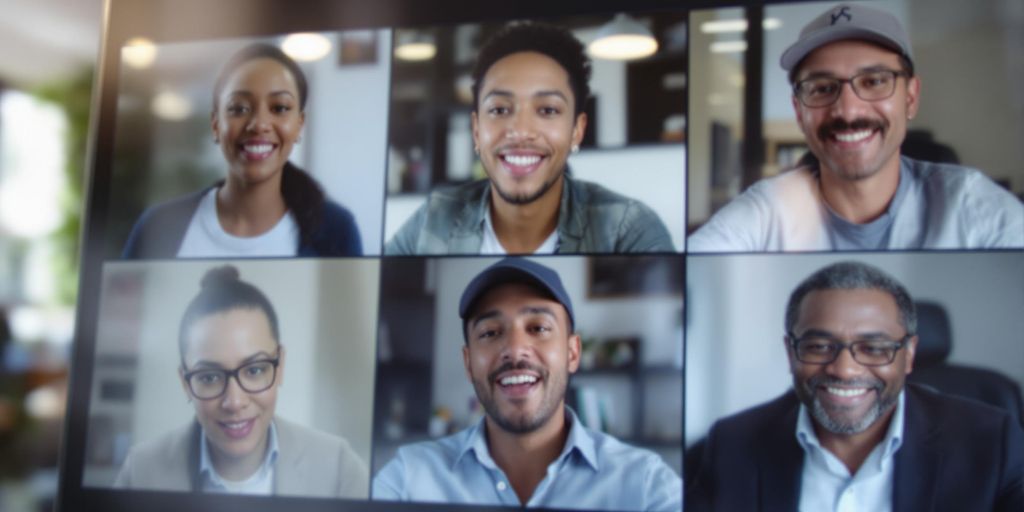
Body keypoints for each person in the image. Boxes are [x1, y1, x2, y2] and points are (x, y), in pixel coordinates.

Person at [686, 261, 1024, 511]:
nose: (844, 370)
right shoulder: (731, 444)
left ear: (908, 355)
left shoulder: (994, 442)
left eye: (874, 348)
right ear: (791, 353)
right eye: (819, 346)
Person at [688, 3, 1024, 252]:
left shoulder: (972, 207)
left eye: (875, 81)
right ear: (799, 111)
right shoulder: (763, 211)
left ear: (910, 98)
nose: (847, 110)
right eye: (821, 87)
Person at [372, 258, 682, 510]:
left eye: (538, 327)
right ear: (468, 363)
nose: (515, 349)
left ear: (573, 353)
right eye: (490, 333)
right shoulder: (406, 480)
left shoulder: (647, 486)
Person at [385, 23, 675, 255]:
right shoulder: (433, 219)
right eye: (499, 109)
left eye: (547, 110)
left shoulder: (629, 230)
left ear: (577, 129)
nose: (521, 130)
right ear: (476, 129)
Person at [114, 265, 368, 497]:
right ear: (185, 382)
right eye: (210, 377)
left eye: (255, 370)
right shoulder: (140, 470)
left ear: (280, 367)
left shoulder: (340, 468)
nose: (234, 402)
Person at [122, 43, 362, 258]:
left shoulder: (337, 230)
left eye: (279, 108)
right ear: (216, 124)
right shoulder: (158, 226)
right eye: (238, 108)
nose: (259, 124)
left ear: (300, 124)